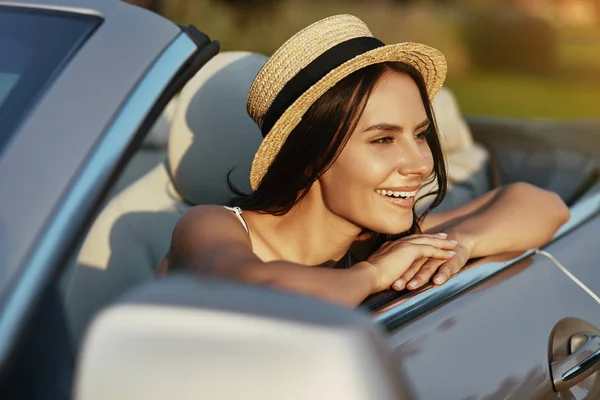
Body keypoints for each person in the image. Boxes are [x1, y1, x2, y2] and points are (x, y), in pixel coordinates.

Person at [159, 15, 569, 307]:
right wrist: (374, 275)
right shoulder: (212, 227)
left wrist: (460, 244)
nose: (420, 163)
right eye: (384, 139)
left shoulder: (373, 239)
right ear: (309, 156)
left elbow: (542, 206)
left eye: (421, 134)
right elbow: (257, 290)